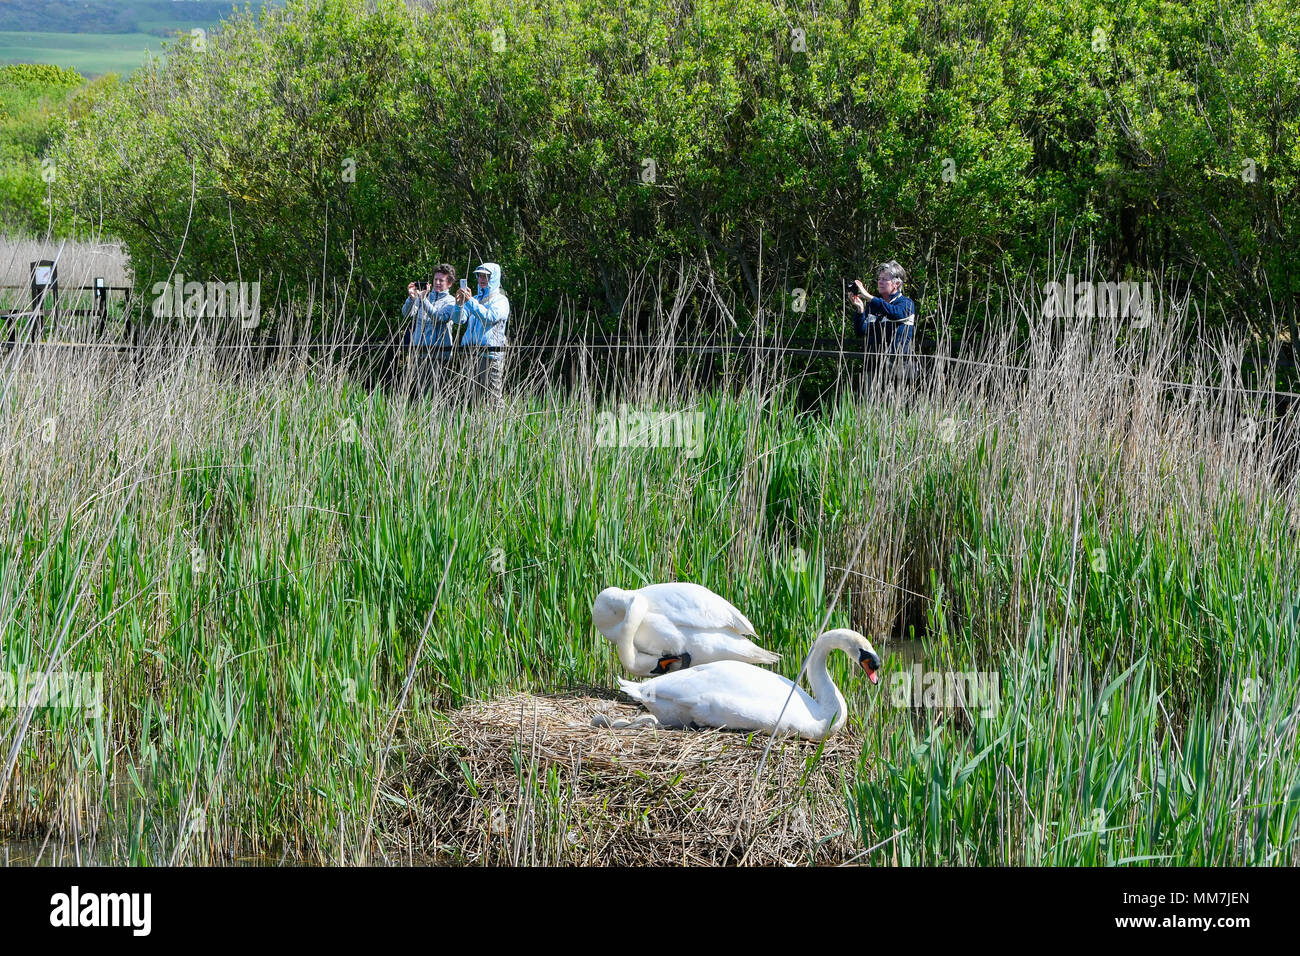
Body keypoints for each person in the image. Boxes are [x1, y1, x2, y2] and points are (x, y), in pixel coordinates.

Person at [453, 262, 510, 404]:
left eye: (486, 276)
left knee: (493, 397)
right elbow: (458, 320)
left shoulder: (501, 300)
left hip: (490, 355)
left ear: (494, 278)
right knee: (471, 398)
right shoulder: (475, 299)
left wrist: (470, 301)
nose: (482, 279)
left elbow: (489, 317)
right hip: (470, 354)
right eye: (479, 276)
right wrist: (459, 304)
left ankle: (499, 424)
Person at [402, 264, 459, 394]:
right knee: (417, 394)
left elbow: (439, 318)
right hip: (418, 353)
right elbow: (406, 314)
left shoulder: (451, 301)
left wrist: (423, 300)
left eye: (441, 280)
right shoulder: (424, 296)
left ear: (449, 284)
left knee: (434, 393)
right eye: (435, 280)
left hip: (438, 355)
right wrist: (412, 298)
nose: (437, 283)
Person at [851, 261, 916, 355]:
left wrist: (869, 297)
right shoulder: (873, 305)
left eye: (885, 279)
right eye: (879, 279)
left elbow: (894, 313)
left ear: (897, 284)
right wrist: (860, 310)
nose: (880, 282)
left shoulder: (906, 303)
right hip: (876, 365)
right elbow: (860, 332)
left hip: (899, 365)